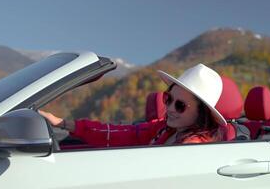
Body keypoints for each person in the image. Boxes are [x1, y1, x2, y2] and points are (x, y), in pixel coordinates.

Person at [39, 63, 227, 147]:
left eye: (180, 105)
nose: (169, 108)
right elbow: (123, 134)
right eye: (168, 99)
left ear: (202, 114)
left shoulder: (192, 148)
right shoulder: (165, 130)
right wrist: (62, 123)